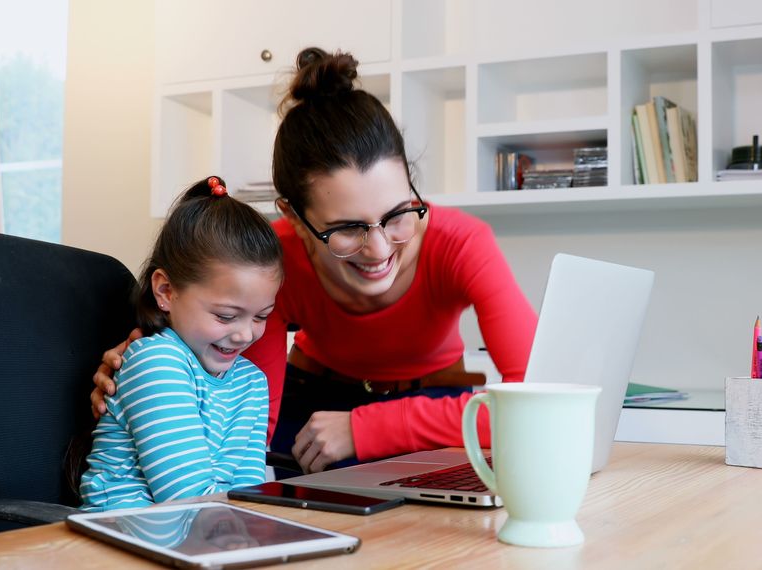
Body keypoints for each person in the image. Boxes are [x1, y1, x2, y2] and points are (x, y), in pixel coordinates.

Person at [92, 47, 538, 474]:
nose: (381, 250)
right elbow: (246, 416)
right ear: (294, 217)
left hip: (434, 406)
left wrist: (369, 427)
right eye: (347, 228)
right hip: (310, 412)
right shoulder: (273, 258)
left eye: (399, 214)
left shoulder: (462, 243)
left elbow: (539, 403)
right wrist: (147, 374)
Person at [80, 176, 283, 511]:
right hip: (122, 535)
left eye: (261, 316)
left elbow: (250, 498)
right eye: (226, 316)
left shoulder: (252, 383)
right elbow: (185, 500)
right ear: (166, 292)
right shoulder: (157, 362)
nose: (246, 334)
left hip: (202, 535)